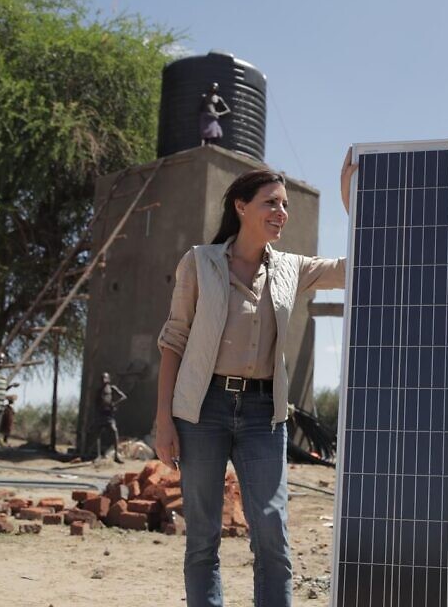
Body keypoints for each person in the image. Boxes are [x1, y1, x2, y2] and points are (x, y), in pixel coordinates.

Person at [155, 153, 353, 607]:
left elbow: (352, 267)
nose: (281, 213)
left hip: (265, 414)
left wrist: (349, 201)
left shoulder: (291, 269)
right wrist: (164, 419)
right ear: (241, 207)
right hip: (202, 410)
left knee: (272, 535)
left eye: (285, 205)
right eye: (271, 203)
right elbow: (173, 341)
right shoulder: (200, 263)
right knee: (203, 539)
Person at [94, 372, 128, 464]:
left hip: (109, 415)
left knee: (114, 431)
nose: (103, 380)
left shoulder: (112, 389)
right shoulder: (99, 391)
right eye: (102, 378)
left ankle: (116, 456)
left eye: (105, 378)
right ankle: (98, 456)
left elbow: (123, 397)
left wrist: (114, 404)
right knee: (97, 434)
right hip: (101, 414)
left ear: (108, 379)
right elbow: (96, 403)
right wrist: (99, 410)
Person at [199, 82, 231, 146]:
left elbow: (228, 110)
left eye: (215, 87)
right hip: (206, 117)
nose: (214, 88)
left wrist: (219, 113)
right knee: (205, 134)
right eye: (213, 86)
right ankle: (204, 146)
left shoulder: (218, 98)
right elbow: (200, 108)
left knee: (216, 134)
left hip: (213, 118)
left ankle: (211, 146)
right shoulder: (205, 97)